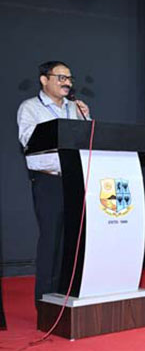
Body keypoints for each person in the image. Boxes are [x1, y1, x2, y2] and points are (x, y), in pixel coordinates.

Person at [17, 61, 90, 304]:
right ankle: (45, 302)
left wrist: (86, 119)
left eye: (69, 78)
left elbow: (88, 140)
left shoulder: (75, 108)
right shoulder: (30, 108)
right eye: (61, 78)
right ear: (44, 79)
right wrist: (60, 130)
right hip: (49, 181)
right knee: (51, 240)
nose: (67, 83)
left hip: (75, 182)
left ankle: (68, 296)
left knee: (74, 240)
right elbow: (28, 140)